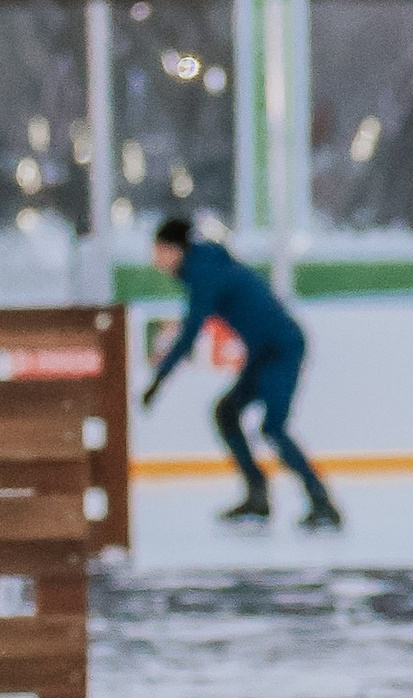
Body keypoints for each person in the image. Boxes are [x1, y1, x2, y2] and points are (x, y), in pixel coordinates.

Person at [141, 213, 343, 531]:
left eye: (158, 252)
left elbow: (190, 332)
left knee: (273, 428)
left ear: (174, 250)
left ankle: (323, 503)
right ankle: (257, 495)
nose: (155, 261)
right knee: (226, 412)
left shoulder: (204, 272)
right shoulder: (204, 265)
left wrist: (158, 380)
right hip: (264, 351)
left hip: (282, 348)